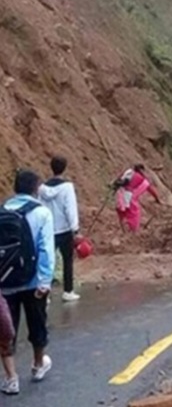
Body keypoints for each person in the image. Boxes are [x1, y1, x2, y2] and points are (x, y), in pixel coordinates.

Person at [1, 170, 55, 395]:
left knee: (6, 330)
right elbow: (46, 249)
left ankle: (11, 378)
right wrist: (45, 281)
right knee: (37, 324)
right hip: (33, 282)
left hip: (5, 282)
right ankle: (38, 364)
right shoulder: (42, 213)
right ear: (35, 189)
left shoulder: (2, 211)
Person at [38, 156, 81, 302]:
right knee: (67, 261)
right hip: (64, 230)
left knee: (47, 262)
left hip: (48, 230)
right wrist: (75, 229)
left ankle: (46, 293)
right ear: (64, 168)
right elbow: (70, 209)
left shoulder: (42, 188)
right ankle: (68, 291)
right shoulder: (67, 187)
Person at [115, 164, 161, 232]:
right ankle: (132, 231)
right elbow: (152, 190)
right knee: (135, 214)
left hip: (120, 194)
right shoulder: (143, 180)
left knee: (122, 213)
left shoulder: (129, 172)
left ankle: (124, 230)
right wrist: (157, 199)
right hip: (129, 197)